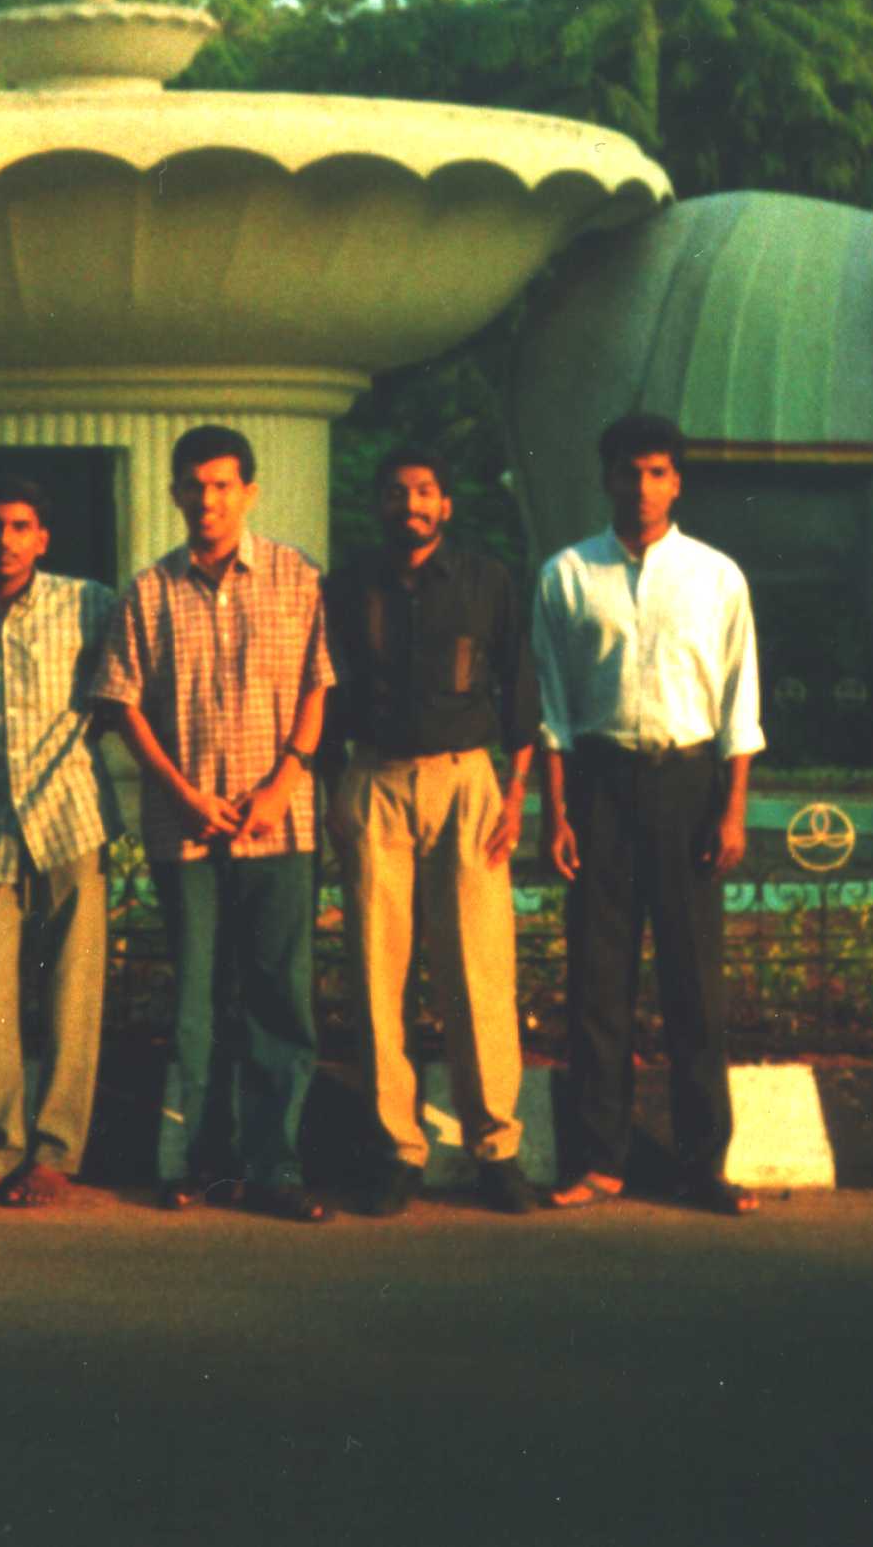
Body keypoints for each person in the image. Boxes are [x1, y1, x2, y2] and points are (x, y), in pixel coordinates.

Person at [94, 424, 336, 1224]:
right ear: (174, 494)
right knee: (198, 1001)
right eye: (195, 486)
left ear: (250, 491)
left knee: (278, 998)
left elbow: (317, 685)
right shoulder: (149, 592)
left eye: (224, 484)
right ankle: (207, 1163)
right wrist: (184, 794)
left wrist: (283, 781)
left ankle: (277, 1167)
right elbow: (125, 704)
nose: (209, 499)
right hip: (187, 828)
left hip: (280, 823)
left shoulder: (297, 578)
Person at [533, 413, 763, 1218]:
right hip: (600, 786)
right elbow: (552, 709)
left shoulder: (717, 577)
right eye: (628, 471)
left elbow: (741, 702)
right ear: (607, 477)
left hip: (689, 786)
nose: (642, 486)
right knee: (599, 982)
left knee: (693, 983)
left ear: (677, 481)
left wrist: (732, 812)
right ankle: (600, 1160)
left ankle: (704, 1167)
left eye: (658, 471)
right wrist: (555, 814)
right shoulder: (566, 575)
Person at [323, 449, 540, 1217]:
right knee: (378, 976)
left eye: (423, 492)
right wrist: (332, 794)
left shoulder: (487, 581)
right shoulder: (347, 586)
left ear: (446, 504)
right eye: (395, 493)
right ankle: (397, 1149)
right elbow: (328, 692)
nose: (409, 505)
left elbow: (519, 686)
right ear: (381, 506)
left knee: (478, 969)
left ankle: (496, 1147)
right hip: (375, 780)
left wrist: (516, 797)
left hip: (464, 783)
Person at [0, 478, 119, 1211]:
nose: (6, 539)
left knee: (74, 991)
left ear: (42, 539)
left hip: (71, 814)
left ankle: (55, 1153)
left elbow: (133, 676)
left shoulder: (89, 602)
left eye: (21, 527)